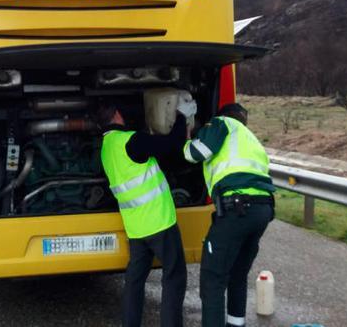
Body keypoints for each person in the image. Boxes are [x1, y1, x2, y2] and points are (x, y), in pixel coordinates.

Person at [96, 98, 197, 327]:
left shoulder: (106, 149)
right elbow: (172, 143)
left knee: (134, 281)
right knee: (174, 277)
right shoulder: (131, 141)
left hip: (136, 228)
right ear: (117, 116)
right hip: (159, 222)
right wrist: (181, 115)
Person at [181, 102, 275, 327]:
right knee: (237, 275)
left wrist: (185, 137)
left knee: (212, 280)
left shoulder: (222, 123)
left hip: (238, 209)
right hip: (263, 210)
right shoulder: (250, 137)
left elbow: (196, 153)